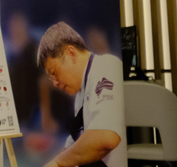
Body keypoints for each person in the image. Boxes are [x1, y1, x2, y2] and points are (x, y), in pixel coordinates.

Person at [37, 22, 127, 167]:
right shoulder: (80, 94)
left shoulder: (106, 66)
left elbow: (106, 137)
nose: (54, 83)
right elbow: (72, 148)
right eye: (50, 78)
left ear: (71, 54)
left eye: (54, 73)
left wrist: (58, 163)